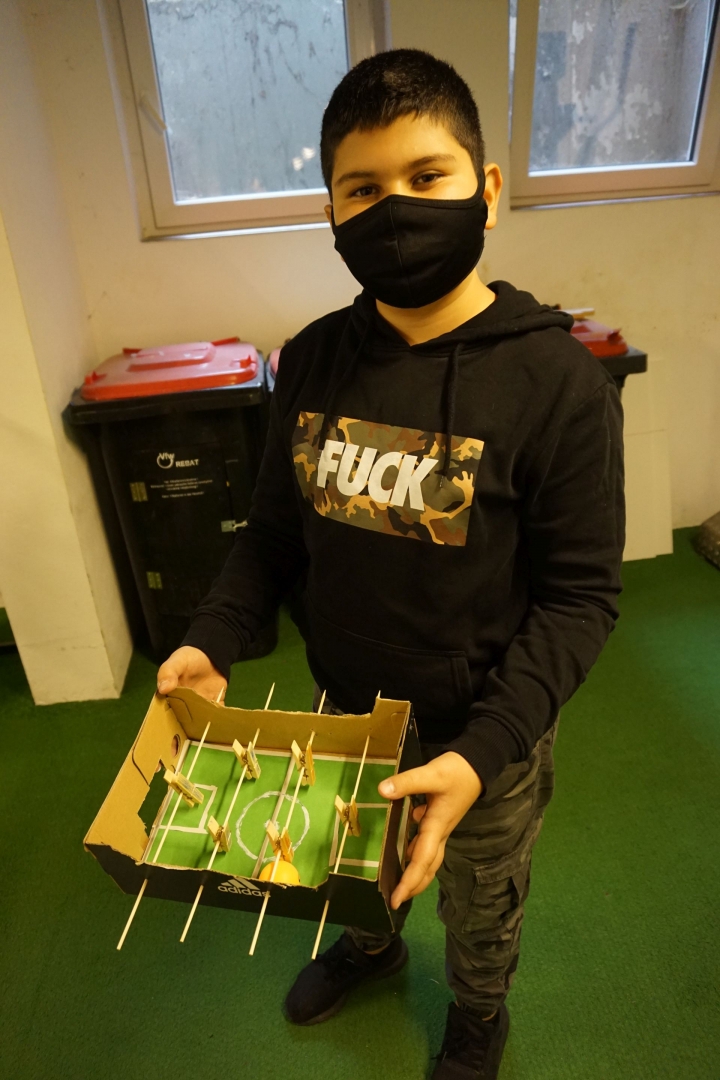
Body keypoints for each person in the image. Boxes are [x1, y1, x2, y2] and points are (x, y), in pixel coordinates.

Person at [157, 49, 624, 1080]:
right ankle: (371, 947)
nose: (397, 209)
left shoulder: (557, 384)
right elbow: (273, 534)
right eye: (363, 189)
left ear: (485, 189)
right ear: (329, 211)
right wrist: (214, 636)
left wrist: (485, 750)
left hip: (483, 734)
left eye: (427, 175)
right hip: (349, 713)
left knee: (480, 898)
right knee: (354, 856)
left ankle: (479, 1011)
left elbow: (582, 599)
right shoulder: (312, 359)